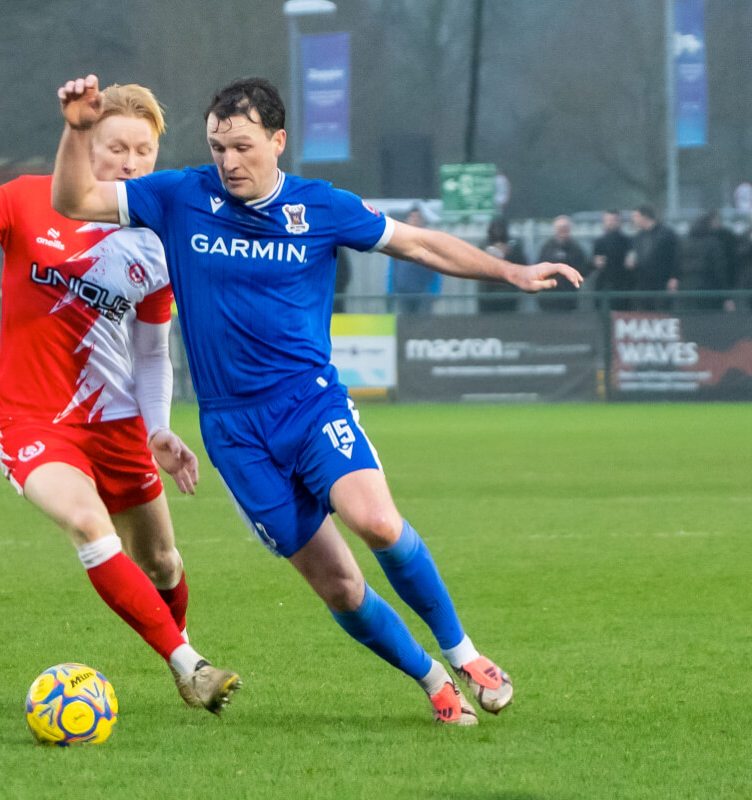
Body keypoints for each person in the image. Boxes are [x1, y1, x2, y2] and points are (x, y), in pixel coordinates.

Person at [53, 74, 582, 725]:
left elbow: (416, 242)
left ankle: (466, 652)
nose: (228, 161)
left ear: (278, 141)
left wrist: (510, 271)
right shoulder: (181, 196)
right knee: (338, 584)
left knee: (377, 522)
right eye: (218, 147)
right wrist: (78, 129)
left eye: (242, 146)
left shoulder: (320, 207)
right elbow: (75, 197)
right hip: (235, 433)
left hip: (310, 405)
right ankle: (431, 678)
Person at [0, 83, 241, 715]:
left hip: (116, 428)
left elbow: (149, 352)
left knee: (164, 561)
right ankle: (189, 665)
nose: (131, 162)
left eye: (144, 151)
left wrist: (158, 430)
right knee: (88, 524)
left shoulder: (154, 236)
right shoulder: (29, 198)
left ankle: (178, 648)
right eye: (117, 146)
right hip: (33, 422)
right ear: (89, 140)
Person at [388, 207, 441, 314]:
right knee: (405, 323)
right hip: (403, 292)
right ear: (407, 220)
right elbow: (392, 270)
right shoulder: (398, 243)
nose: (415, 220)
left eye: (418, 218)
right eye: (412, 217)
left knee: (423, 324)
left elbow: (438, 269)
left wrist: (435, 291)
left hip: (423, 292)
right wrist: (390, 291)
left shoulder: (429, 244)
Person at [676, 212, 732, 311]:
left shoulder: (684, 243)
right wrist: (726, 294)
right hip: (708, 291)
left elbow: (677, 265)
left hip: (686, 290)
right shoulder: (713, 244)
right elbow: (720, 269)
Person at [627, 204, 679, 310]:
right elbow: (634, 256)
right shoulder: (638, 238)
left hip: (661, 285)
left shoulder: (666, 235)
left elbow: (675, 257)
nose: (634, 220)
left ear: (645, 216)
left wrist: (674, 277)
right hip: (642, 287)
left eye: (636, 216)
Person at [536, 215, 589, 312]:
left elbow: (583, 270)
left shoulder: (576, 249)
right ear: (555, 229)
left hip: (569, 299)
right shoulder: (547, 248)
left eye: (565, 227)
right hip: (549, 299)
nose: (563, 230)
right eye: (560, 227)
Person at [477, 216, 528, 313]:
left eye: (501, 227)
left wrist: (509, 255)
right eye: (495, 227)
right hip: (487, 294)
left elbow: (523, 266)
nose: (498, 231)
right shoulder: (484, 245)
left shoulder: (514, 245)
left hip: (509, 294)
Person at [590, 209, 634, 310]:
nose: (611, 222)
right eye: (608, 220)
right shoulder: (599, 242)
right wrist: (595, 262)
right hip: (604, 286)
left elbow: (632, 262)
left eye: (614, 220)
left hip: (623, 287)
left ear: (619, 221)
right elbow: (592, 263)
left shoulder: (627, 242)